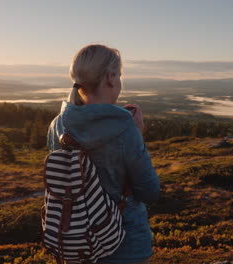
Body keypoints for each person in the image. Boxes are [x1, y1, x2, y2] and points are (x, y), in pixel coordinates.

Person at [47, 44, 160, 264]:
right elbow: (150, 192)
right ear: (110, 77)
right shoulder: (124, 127)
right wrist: (137, 133)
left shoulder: (57, 125)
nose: (118, 81)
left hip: (75, 243)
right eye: (118, 75)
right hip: (124, 246)